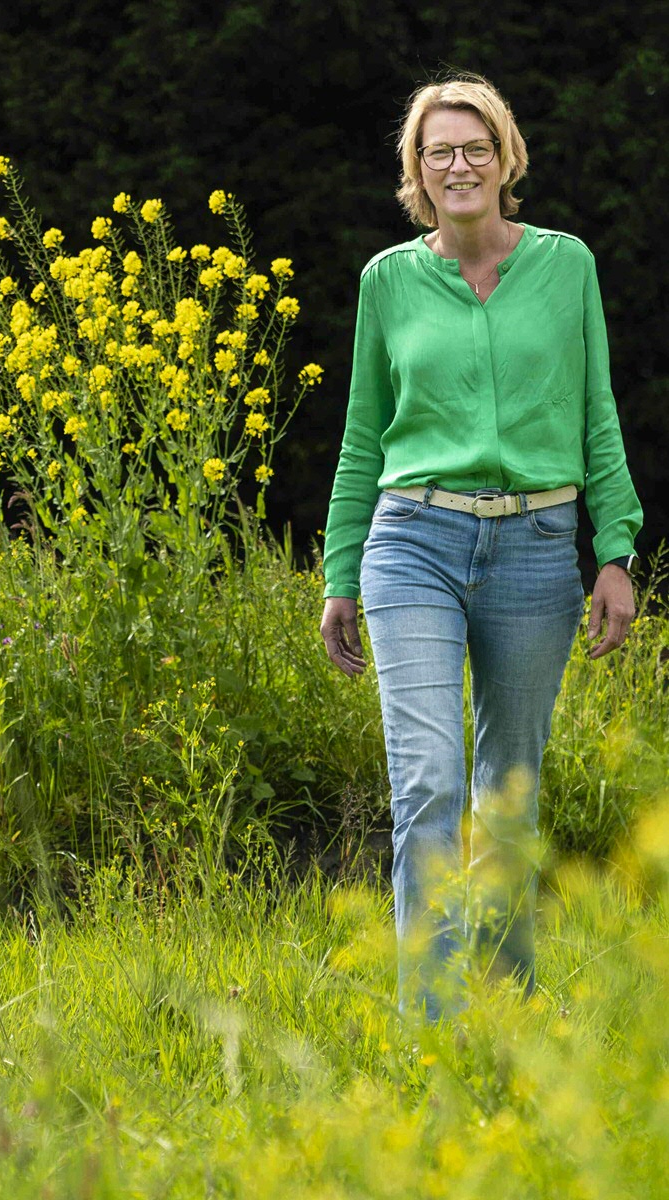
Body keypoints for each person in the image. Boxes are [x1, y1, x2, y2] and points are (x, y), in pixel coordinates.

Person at [319, 75, 642, 1019]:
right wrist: (342, 571)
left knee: (509, 792)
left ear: (505, 159)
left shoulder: (566, 265)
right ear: (416, 171)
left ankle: (506, 1013)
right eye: (437, 151)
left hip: (539, 546)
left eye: (475, 147)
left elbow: (596, 414)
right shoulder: (388, 280)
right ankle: (434, 1020)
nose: (458, 164)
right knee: (429, 778)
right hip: (412, 540)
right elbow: (362, 437)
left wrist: (614, 548)